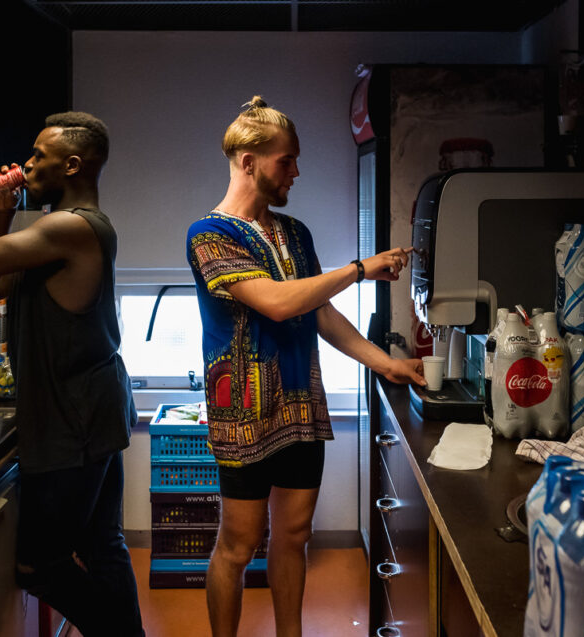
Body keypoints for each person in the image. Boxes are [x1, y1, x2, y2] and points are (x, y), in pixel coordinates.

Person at [185, 96, 426, 637]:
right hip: (244, 409)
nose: (295, 170)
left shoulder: (295, 233)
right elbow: (275, 301)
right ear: (248, 161)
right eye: (284, 160)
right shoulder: (208, 235)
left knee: (294, 535)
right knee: (239, 543)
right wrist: (360, 269)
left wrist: (385, 363)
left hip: (300, 405)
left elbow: (321, 314)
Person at [0, 111, 144, 636]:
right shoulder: (65, 232)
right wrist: (3, 211)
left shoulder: (68, 228)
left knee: (40, 566)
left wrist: (2, 226)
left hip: (71, 419)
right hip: (93, 408)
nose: (29, 164)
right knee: (103, 544)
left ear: (73, 164)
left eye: (40, 156)